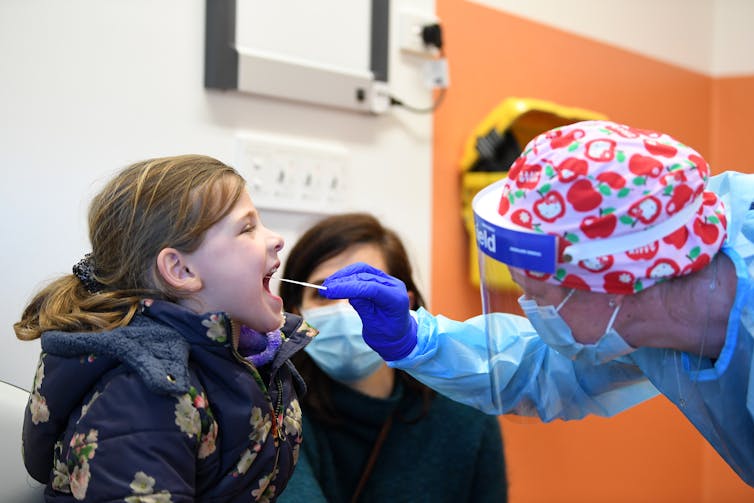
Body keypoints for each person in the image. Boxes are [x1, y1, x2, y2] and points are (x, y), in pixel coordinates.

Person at [318, 120, 754, 487]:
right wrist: (415, 340)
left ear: (616, 287)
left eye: (540, 294)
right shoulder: (648, 314)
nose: (530, 308)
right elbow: (538, 366)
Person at [14, 154, 313, 501]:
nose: (276, 239)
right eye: (247, 228)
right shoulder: (143, 398)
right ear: (181, 270)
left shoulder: (247, 360)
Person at [275, 213, 508, 503]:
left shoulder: (466, 417)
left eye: (366, 293)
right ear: (298, 309)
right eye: (323, 293)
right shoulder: (277, 410)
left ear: (404, 305)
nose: (344, 309)